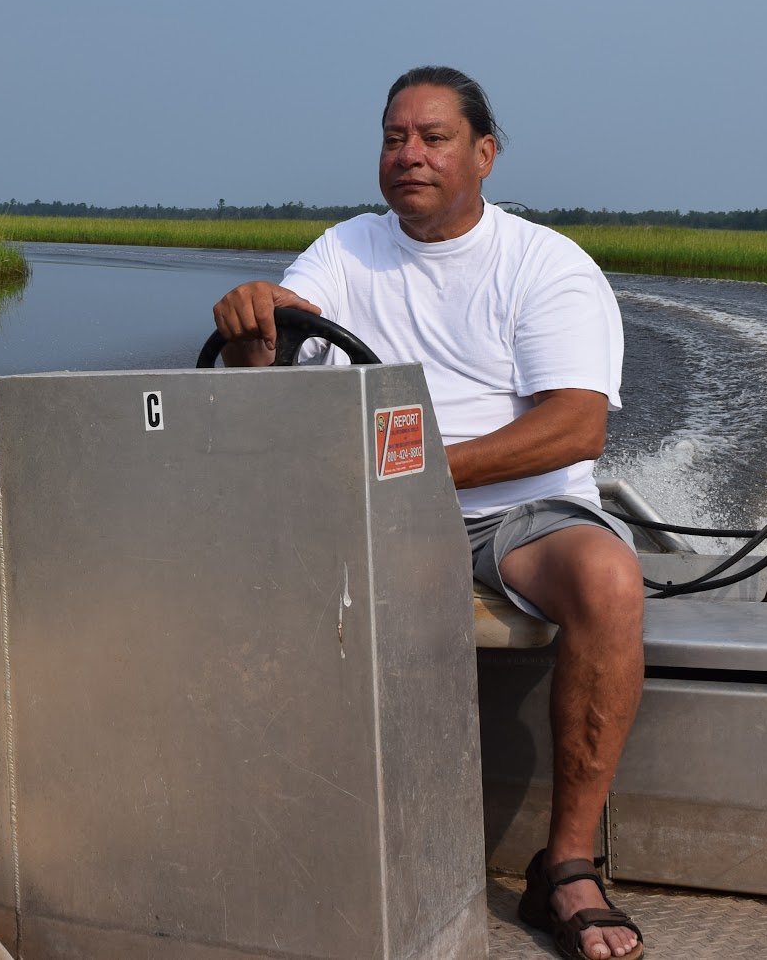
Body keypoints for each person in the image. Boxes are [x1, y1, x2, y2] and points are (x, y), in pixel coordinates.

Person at [210, 66, 645, 960]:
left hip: (522, 515)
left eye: (433, 137)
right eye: (393, 137)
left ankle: (564, 868)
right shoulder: (343, 253)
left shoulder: (543, 264)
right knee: (254, 577)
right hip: (381, 513)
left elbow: (576, 426)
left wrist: (418, 470)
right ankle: (287, 839)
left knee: (609, 579)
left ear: (484, 155)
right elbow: (274, 381)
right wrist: (256, 338)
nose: (408, 154)